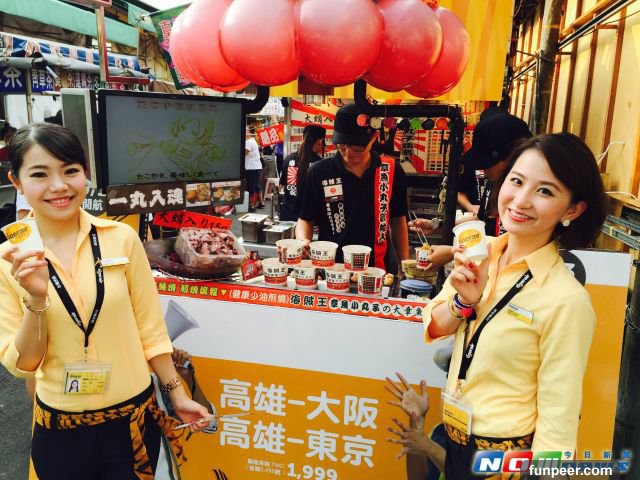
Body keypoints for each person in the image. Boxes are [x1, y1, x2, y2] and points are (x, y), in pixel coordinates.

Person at [0, 123, 209, 480]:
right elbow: (24, 364)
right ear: (16, 181)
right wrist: (36, 298)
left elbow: (150, 328)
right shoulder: (10, 260)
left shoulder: (121, 239)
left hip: (133, 422)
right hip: (61, 429)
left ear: (85, 173)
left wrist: (177, 393)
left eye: (70, 171)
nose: (59, 186)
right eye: (39, 174)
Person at [420, 133, 607, 478]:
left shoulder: (566, 300)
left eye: (545, 191)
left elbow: (559, 417)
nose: (520, 201)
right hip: (450, 440)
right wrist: (464, 301)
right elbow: (433, 325)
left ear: (572, 209)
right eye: (517, 181)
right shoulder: (481, 252)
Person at [410, 113, 532, 271]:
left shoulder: (529, 200)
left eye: (488, 163)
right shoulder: (494, 183)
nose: (483, 170)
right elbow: (481, 219)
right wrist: (435, 224)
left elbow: (513, 248)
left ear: (513, 155)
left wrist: (452, 253)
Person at [296, 103, 409, 272]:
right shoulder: (319, 172)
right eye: (342, 146)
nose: (348, 153)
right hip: (330, 268)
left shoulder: (390, 171)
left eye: (357, 147)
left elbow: (398, 221)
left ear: (374, 137)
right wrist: (303, 241)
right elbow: (305, 218)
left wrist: (404, 265)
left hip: (375, 270)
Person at [279, 124, 326, 221]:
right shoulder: (321, 164)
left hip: (286, 216)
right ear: (320, 141)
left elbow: (282, 185)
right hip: (308, 220)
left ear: (302, 138)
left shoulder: (288, 159)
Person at [245, 128, 264, 212]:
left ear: (249, 133)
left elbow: (245, 152)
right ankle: (261, 202)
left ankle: (251, 205)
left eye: (246, 131)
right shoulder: (253, 141)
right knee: (256, 185)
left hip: (251, 167)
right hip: (256, 166)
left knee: (251, 186)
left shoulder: (249, 142)